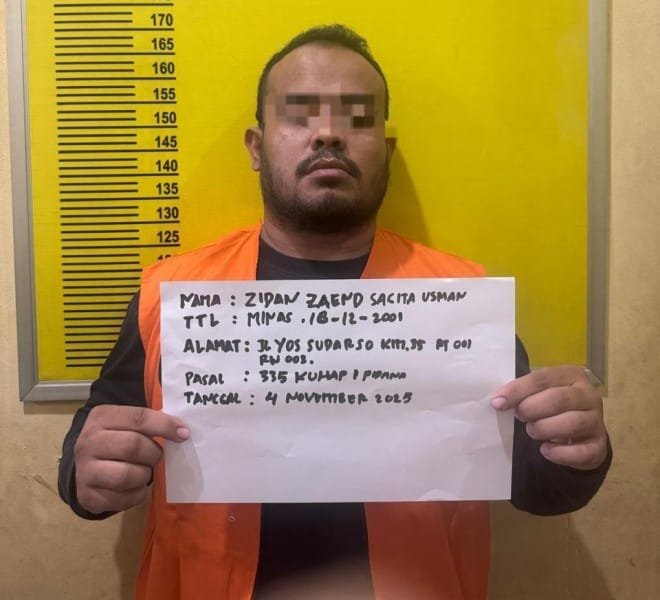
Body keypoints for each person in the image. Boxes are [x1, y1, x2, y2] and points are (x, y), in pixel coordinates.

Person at [59, 24, 611, 599]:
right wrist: (85, 470)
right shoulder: (171, 294)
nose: (328, 133)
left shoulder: (460, 303)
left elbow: (539, 485)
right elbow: (98, 432)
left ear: (385, 151)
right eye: (299, 115)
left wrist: (579, 450)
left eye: (357, 117)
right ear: (256, 147)